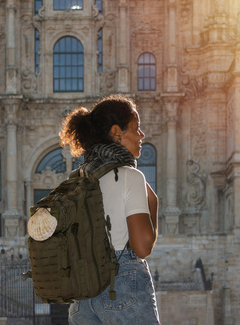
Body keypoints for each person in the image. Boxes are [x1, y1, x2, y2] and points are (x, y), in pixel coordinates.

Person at [59, 94, 161, 324]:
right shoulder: (128, 176)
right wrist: (153, 205)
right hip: (120, 283)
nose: (142, 135)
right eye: (136, 128)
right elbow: (143, 246)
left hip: (82, 295)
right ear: (117, 133)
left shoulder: (79, 179)